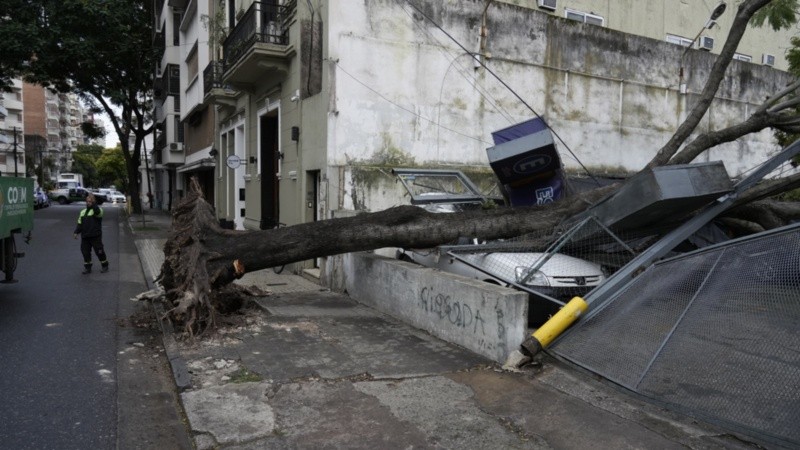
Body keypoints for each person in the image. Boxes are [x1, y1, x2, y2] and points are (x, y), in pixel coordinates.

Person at [73, 194, 109, 274]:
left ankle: (105, 265)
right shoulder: (82, 212)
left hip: (95, 236)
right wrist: (76, 232)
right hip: (85, 236)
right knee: (85, 252)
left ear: (93, 202)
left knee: (99, 251)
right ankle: (88, 268)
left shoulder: (98, 210)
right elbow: (80, 224)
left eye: (90, 201)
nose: (88, 203)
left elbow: (97, 212)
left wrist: (94, 204)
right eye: (87, 201)